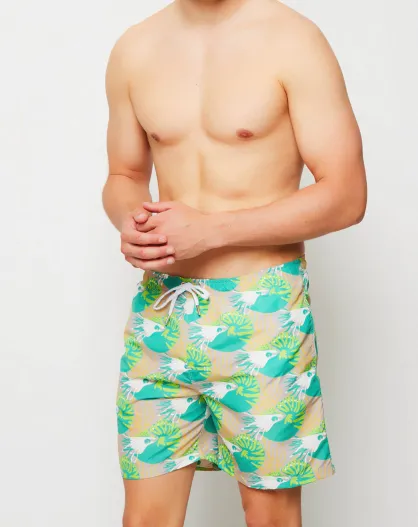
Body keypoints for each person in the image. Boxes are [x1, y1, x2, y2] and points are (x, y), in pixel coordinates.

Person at [102, 0, 367, 525]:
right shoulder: (135, 47)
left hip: (261, 308)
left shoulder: (293, 39)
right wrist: (132, 221)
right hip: (162, 310)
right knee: (144, 519)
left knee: (270, 517)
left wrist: (210, 230)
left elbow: (347, 194)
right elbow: (124, 174)